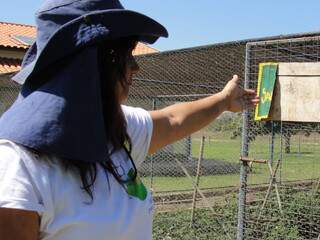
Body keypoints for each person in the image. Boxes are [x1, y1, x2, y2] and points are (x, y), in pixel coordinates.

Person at [0, 0, 259, 239]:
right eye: (126, 55)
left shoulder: (110, 125)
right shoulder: (17, 166)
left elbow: (173, 120)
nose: (135, 67)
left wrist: (224, 100)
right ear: (93, 64)